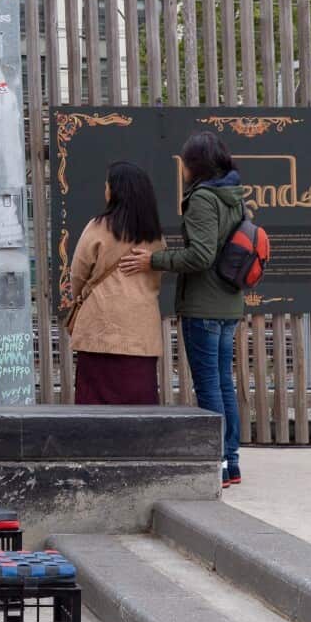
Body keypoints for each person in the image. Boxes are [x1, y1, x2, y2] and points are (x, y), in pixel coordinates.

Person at [121, 131, 245, 488]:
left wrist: (153, 260)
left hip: (204, 305)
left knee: (209, 387)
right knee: (222, 383)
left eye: (185, 161)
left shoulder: (204, 198)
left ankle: (218, 463)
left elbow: (202, 255)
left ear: (195, 165)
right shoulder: (233, 195)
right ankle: (231, 462)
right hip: (227, 304)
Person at [69, 161, 166, 405]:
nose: (105, 189)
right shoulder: (155, 235)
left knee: (96, 405)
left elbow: (78, 274)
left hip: (99, 328)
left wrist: (81, 294)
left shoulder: (99, 227)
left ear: (116, 190)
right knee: (138, 404)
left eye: (107, 185)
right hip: (140, 333)